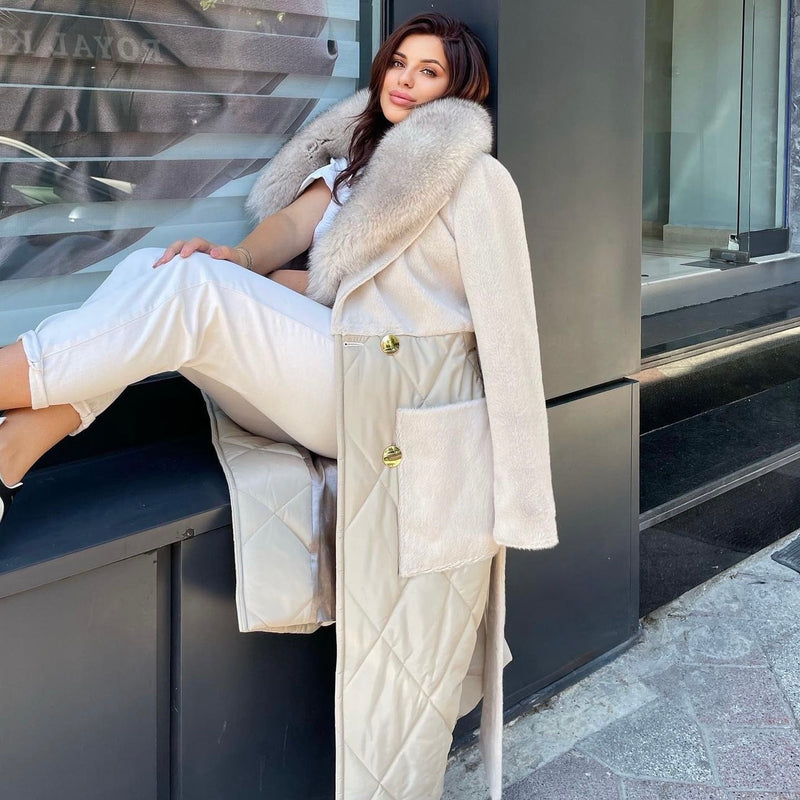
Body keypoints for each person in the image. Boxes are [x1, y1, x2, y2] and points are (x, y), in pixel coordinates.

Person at [0, 13, 557, 799]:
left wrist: (520, 495)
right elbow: (280, 234)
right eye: (399, 62)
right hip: (321, 384)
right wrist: (235, 259)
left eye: (429, 71)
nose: (404, 78)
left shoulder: (474, 180)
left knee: (182, 290)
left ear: (462, 88)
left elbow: (510, 331)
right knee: (160, 269)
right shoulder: (345, 170)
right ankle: (14, 449)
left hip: (390, 402)